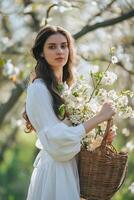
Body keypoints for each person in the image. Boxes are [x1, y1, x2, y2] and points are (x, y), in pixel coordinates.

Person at [23, 25, 115, 200]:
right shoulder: (38, 89)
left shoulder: (66, 89)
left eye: (64, 46)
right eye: (52, 46)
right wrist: (99, 117)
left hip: (69, 168)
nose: (60, 51)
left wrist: (97, 139)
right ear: (41, 53)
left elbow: (73, 134)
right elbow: (57, 141)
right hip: (54, 173)